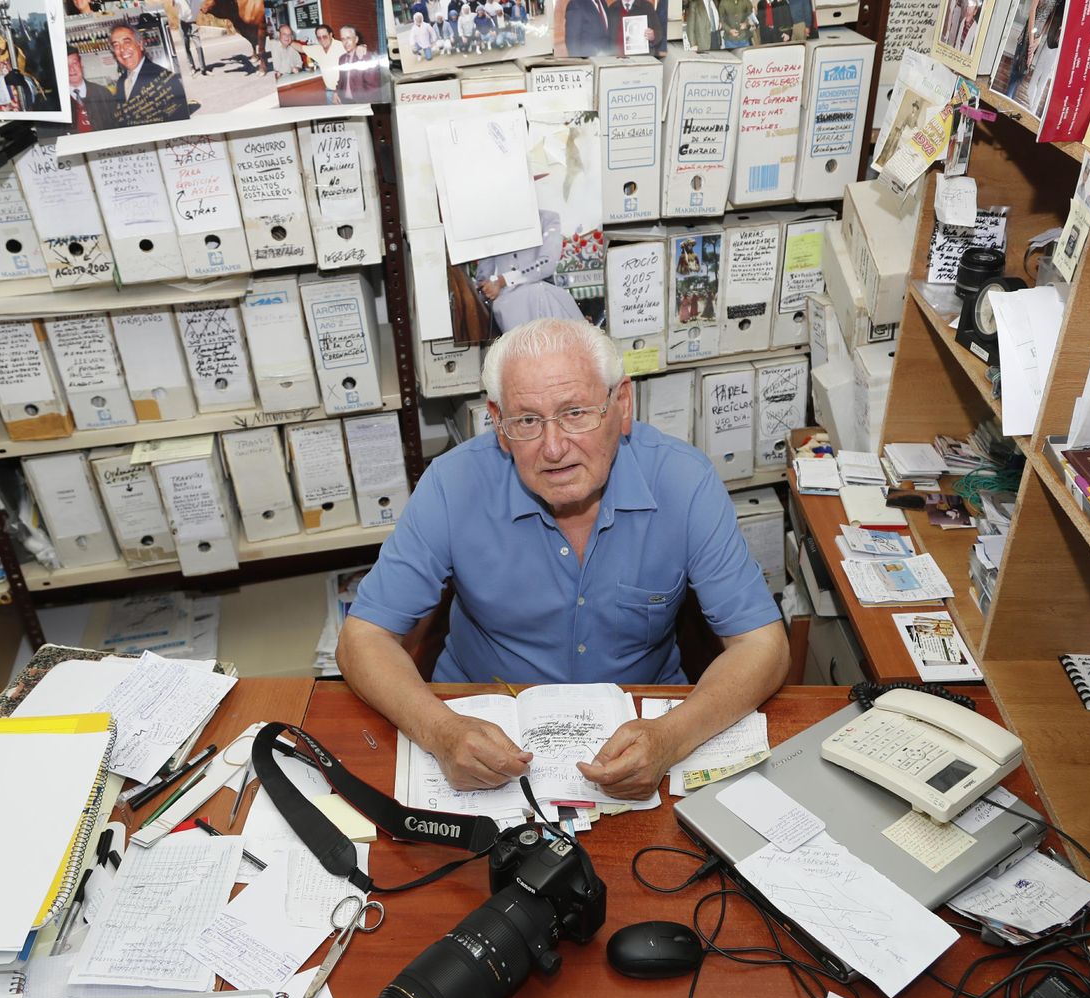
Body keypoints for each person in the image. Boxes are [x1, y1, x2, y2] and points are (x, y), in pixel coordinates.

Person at [337, 318, 790, 800]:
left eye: (575, 413)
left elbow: (763, 646)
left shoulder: (684, 481)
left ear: (621, 405)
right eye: (528, 421)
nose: (553, 449)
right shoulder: (453, 484)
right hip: (480, 722)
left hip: (644, 726)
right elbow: (361, 639)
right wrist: (441, 731)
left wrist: (673, 736)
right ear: (498, 423)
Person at [475, 209, 584, 333]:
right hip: (507, 304)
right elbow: (483, 276)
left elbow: (547, 262)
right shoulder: (492, 227)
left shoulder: (546, 218)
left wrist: (503, 280)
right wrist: (486, 288)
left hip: (539, 294)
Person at [109, 22, 191, 125]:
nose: (122, 49)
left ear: (140, 44)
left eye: (127, 42)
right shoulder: (121, 82)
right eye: (116, 45)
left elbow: (180, 120)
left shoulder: (166, 78)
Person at [65, 45, 115, 133]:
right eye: (66, 65)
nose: (71, 69)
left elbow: (116, 126)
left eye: (74, 63)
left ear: (81, 65)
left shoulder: (103, 93)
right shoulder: (56, 103)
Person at [292, 23, 346, 100]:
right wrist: (288, 41)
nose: (322, 40)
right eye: (319, 38)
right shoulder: (318, 49)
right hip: (329, 91)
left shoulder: (342, 46)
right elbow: (301, 48)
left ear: (331, 35)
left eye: (324, 37)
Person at [336, 24, 382, 101]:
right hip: (344, 101)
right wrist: (336, 92)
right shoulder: (342, 59)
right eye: (343, 39)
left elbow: (373, 86)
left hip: (360, 101)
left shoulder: (366, 56)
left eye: (348, 38)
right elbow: (341, 80)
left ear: (356, 39)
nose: (346, 42)